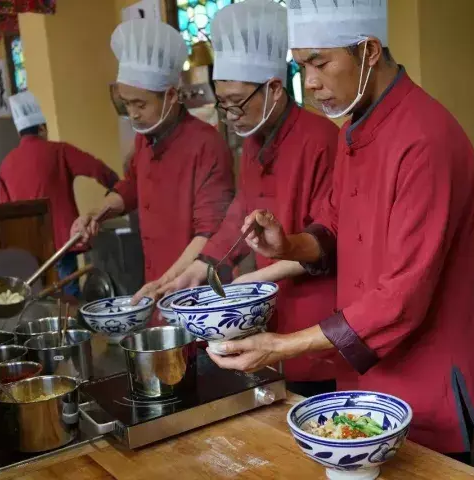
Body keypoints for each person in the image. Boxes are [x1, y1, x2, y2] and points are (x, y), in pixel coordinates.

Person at [206, 0, 474, 464]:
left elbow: (403, 296)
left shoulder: (426, 138)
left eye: (320, 62)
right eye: (301, 66)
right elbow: (334, 229)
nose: (311, 82)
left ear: (367, 51)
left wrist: (281, 346)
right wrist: (287, 245)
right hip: (365, 379)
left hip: (425, 383)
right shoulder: (354, 131)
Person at [134, 0, 339, 398]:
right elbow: (240, 211)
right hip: (270, 315)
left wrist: (253, 279)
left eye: (237, 103)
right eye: (222, 104)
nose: (229, 116)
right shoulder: (253, 144)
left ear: (276, 88)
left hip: (318, 315)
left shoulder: (320, 139)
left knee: (316, 402)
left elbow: (329, 239)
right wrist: (202, 265)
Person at [71, 19, 235, 318]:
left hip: (197, 289)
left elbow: (210, 231)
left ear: (171, 96)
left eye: (140, 104)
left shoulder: (206, 145)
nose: (133, 113)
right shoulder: (146, 138)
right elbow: (133, 184)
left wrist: (166, 281)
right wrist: (100, 211)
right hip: (159, 285)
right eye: (126, 104)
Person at [0, 91, 119, 297]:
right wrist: (116, 186)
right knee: (69, 295)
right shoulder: (58, 151)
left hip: (29, 248)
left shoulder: (6, 165)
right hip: (63, 242)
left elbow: (4, 211)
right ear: (42, 128)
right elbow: (95, 167)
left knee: (39, 297)